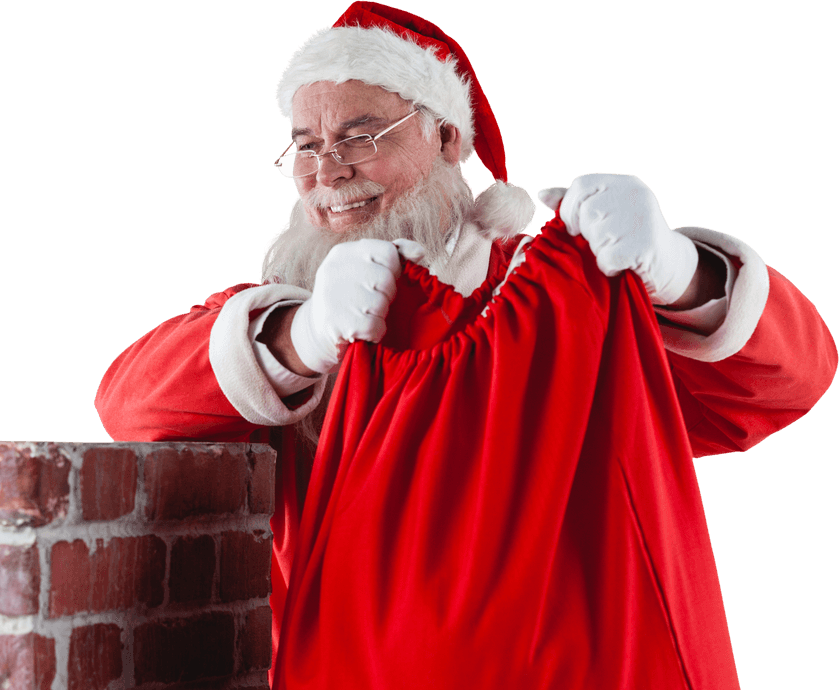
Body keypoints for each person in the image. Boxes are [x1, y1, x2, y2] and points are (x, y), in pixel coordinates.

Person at [96, 1, 836, 683]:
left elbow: (789, 378)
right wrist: (306, 333)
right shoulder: (288, 320)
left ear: (448, 137)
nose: (329, 172)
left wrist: (679, 273)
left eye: (359, 136)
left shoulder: (571, 307)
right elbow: (130, 404)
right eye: (306, 147)